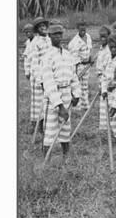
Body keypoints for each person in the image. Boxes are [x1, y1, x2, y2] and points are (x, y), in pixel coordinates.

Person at [41, 23, 81, 158]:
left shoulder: (68, 55)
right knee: (51, 129)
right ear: (50, 36)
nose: (58, 37)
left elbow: (73, 75)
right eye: (55, 34)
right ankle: (46, 158)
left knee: (65, 126)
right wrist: (59, 106)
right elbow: (48, 82)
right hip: (53, 96)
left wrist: (76, 94)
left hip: (67, 93)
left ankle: (66, 156)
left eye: (60, 34)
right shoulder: (47, 56)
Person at [28, 17, 51, 126]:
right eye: (40, 26)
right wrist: (39, 79)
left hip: (48, 73)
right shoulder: (35, 43)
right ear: (37, 29)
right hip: (39, 75)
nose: (43, 27)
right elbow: (34, 63)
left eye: (44, 25)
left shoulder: (49, 39)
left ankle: (46, 122)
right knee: (38, 102)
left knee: (48, 100)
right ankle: (37, 124)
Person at [67, 20, 93, 110]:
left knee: (85, 86)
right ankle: (77, 106)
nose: (83, 28)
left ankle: (85, 105)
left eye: (84, 26)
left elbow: (89, 50)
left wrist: (90, 59)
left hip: (87, 65)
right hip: (79, 66)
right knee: (77, 86)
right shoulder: (74, 42)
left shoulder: (88, 37)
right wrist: (77, 69)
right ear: (77, 28)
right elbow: (73, 58)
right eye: (80, 26)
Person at [96, 26, 112, 131]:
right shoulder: (101, 49)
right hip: (101, 78)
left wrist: (104, 85)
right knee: (103, 105)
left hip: (107, 80)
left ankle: (109, 129)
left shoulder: (110, 50)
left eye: (104, 37)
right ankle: (103, 129)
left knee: (108, 104)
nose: (102, 39)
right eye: (101, 37)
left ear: (108, 37)